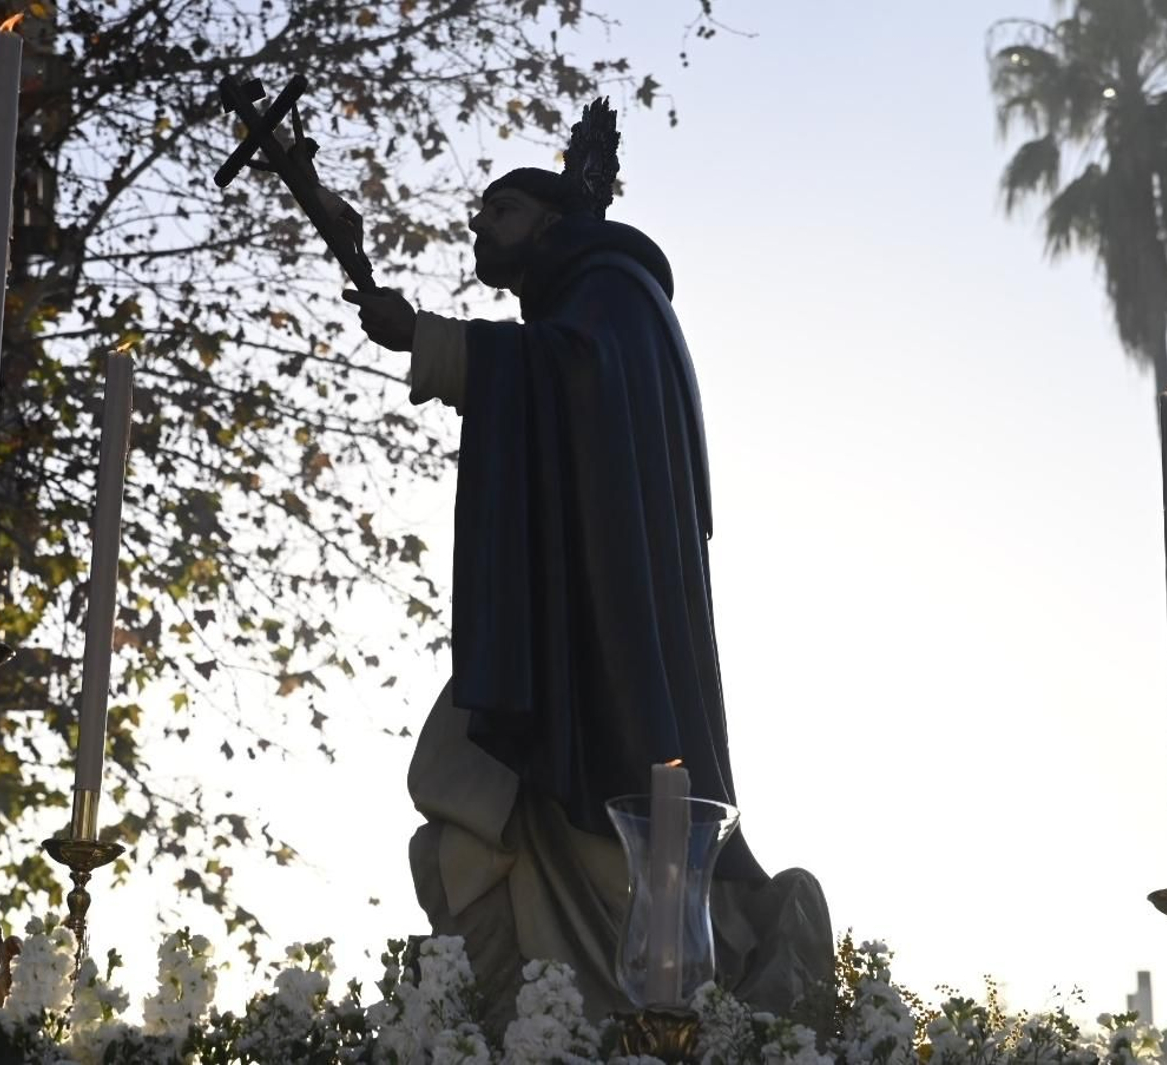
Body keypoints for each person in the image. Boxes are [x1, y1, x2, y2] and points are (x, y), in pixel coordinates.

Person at [342, 100, 832, 1024]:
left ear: (552, 220)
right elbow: (554, 384)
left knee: (561, 779)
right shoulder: (588, 302)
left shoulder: (613, 293)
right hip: (562, 598)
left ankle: (620, 994)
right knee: (474, 791)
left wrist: (429, 339)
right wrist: (437, 343)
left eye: (500, 210)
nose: (480, 226)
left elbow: (573, 375)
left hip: (605, 612)